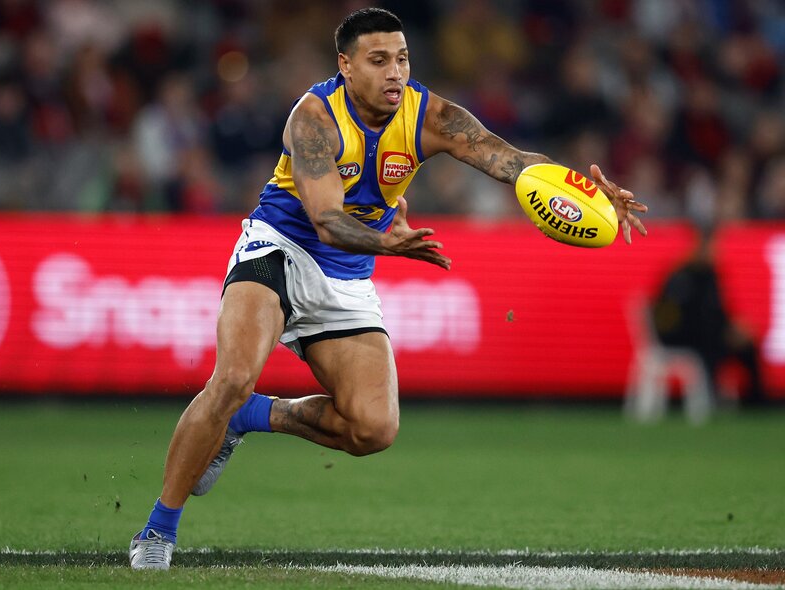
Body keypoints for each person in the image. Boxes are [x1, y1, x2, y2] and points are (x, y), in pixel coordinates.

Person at [129, 7, 648, 569]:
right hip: (282, 248)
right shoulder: (315, 119)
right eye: (378, 60)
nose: (395, 72)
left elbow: (513, 162)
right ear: (346, 66)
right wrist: (390, 245)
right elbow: (326, 220)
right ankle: (159, 530)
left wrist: (587, 194)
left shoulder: (433, 116)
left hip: (347, 274)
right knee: (230, 376)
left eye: (402, 58)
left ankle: (253, 416)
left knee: (373, 427)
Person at [652, 225, 765, 406]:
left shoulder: (711, 274)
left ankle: (755, 402)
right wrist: (722, 331)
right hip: (686, 339)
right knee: (712, 352)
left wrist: (732, 329)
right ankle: (712, 399)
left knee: (748, 348)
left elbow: (719, 310)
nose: (716, 252)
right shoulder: (681, 276)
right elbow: (679, 318)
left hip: (711, 336)